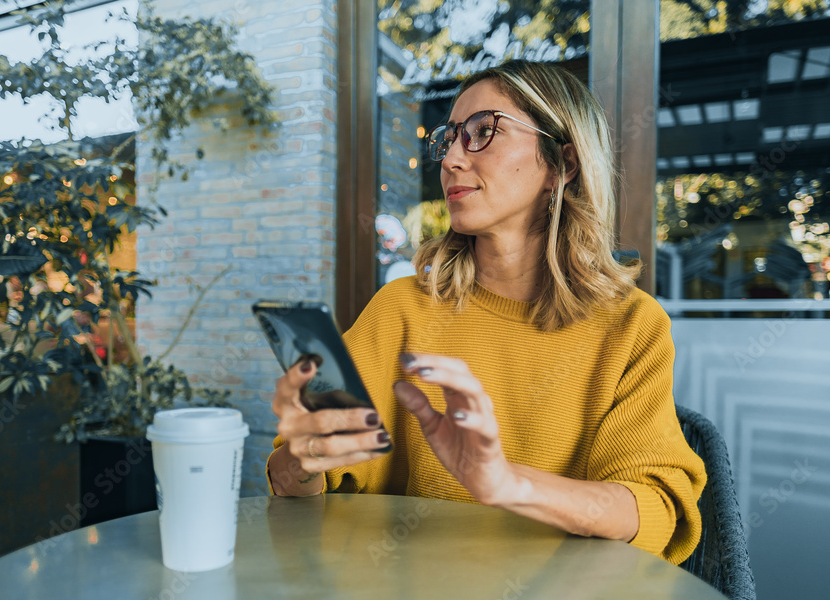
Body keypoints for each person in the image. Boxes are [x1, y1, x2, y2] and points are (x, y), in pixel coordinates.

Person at [265, 60, 707, 565]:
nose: (451, 158)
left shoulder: (631, 326)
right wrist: (304, 460)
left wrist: (503, 481)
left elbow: (650, 506)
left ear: (562, 165)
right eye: (449, 138)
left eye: (482, 132)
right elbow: (293, 483)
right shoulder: (401, 310)